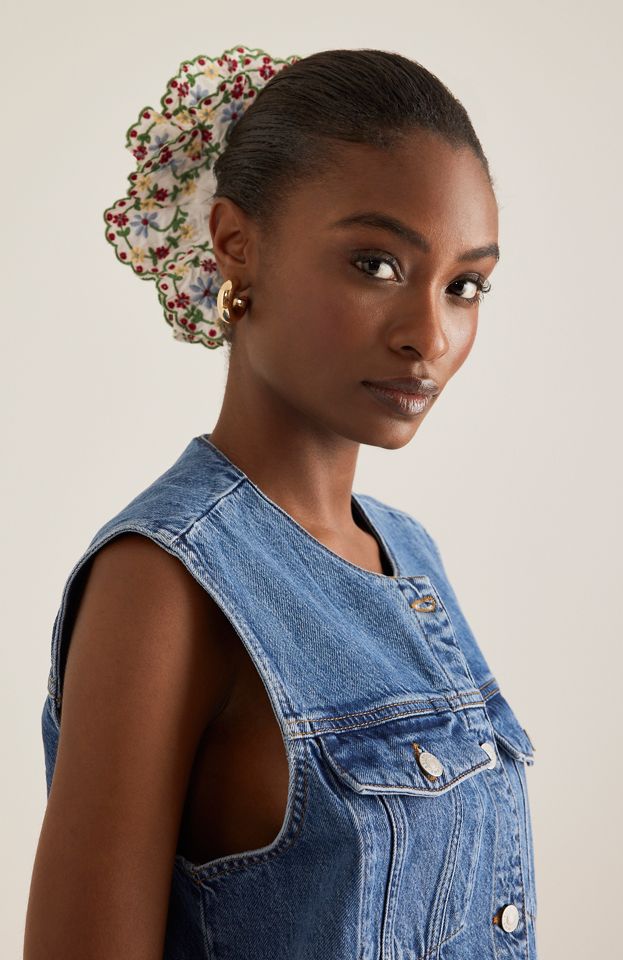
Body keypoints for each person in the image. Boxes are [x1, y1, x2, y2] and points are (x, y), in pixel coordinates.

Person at [24, 44, 538, 960]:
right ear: (236, 243)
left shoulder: (409, 555)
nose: (430, 334)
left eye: (464, 286)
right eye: (376, 264)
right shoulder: (165, 582)